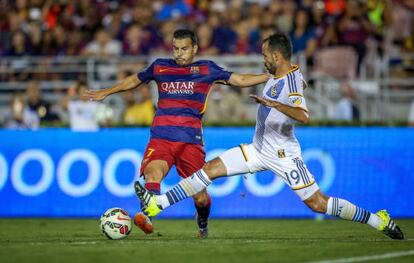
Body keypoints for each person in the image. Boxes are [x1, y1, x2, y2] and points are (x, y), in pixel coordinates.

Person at [134, 32, 404, 240]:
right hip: (258, 149)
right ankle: (159, 204)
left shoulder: (291, 81)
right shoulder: (280, 73)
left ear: (276, 56)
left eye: (265, 54)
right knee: (209, 169)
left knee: (318, 203)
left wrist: (275, 105)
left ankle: (376, 219)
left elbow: (303, 115)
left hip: (284, 155)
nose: (262, 59)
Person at [82, 29, 269, 238]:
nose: (179, 53)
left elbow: (240, 79)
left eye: (184, 49)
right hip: (161, 137)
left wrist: (270, 76)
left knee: (201, 198)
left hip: (191, 142)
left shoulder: (207, 69)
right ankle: (149, 214)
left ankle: (202, 225)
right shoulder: (160, 66)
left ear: (195, 49)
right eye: (176, 49)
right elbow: (135, 80)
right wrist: (106, 92)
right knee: (153, 173)